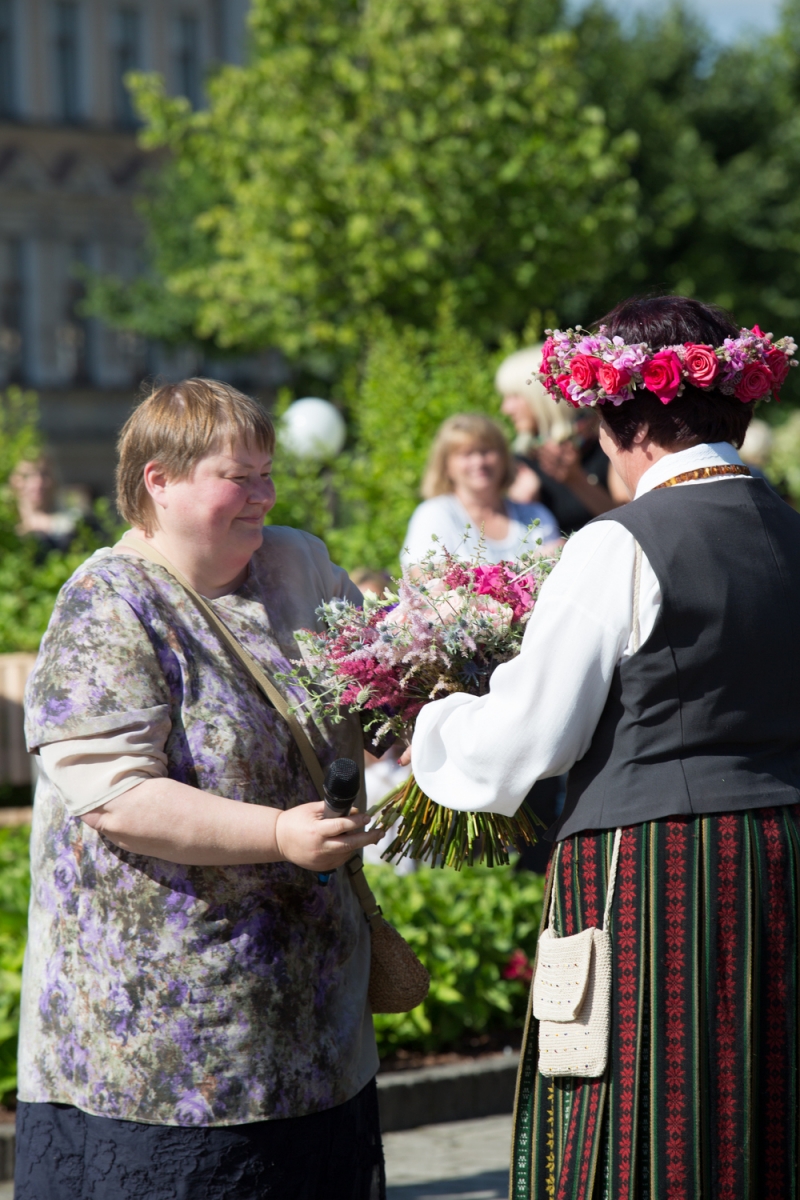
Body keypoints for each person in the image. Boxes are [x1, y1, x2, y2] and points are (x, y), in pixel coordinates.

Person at [408, 297, 800, 1197]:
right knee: (764, 1113)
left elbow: (530, 738)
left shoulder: (620, 544)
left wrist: (437, 718)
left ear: (630, 425)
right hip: (781, 852)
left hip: (665, 865)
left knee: (642, 1123)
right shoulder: (788, 528)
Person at [17, 379, 385, 1200]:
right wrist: (280, 835)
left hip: (313, 1041)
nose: (263, 495)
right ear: (160, 480)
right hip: (167, 1061)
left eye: (267, 473)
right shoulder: (108, 601)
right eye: (238, 476)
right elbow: (116, 794)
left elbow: (376, 690)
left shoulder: (299, 565)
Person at [400, 413, 559, 568]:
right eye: (466, 454)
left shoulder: (535, 516)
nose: (479, 462)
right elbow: (424, 579)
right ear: (446, 466)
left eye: (486, 451)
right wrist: (520, 570)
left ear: (504, 458)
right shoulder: (434, 514)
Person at [497, 346, 628, 531]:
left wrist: (576, 480)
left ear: (542, 394)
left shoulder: (606, 442)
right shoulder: (520, 461)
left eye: (515, 396)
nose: (506, 409)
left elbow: (629, 522)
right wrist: (520, 508)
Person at [9, 454, 102, 557]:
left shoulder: (69, 512)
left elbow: (80, 526)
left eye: (44, 474)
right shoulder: (6, 523)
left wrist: (46, 523)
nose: (38, 483)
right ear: (12, 480)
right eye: (27, 476)